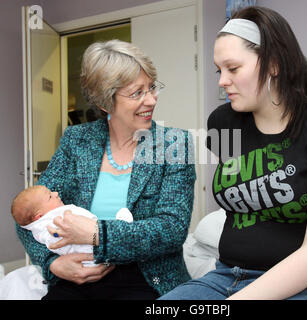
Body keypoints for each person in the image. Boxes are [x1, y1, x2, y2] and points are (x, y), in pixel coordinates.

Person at [160, 6, 307, 300]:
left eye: (233, 68)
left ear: (273, 64)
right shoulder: (222, 122)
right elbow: (238, 200)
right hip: (227, 275)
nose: (222, 81)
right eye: (220, 70)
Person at [15, 39, 196, 300]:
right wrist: (52, 264)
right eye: (137, 93)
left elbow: (172, 229)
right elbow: (29, 218)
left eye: (152, 88)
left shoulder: (174, 144)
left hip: (146, 279)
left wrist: (97, 235)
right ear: (104, 102)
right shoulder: (76, 140)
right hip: (80, 278)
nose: (152, 99)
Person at [11, 185, 133, 267]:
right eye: (50, 196)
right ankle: (120, 227)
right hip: (87, 254)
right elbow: (54, 240)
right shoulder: (47, 226)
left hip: (97, 239)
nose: (56, 193)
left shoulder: (49, 214)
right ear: (39, 216)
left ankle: (116, 230)